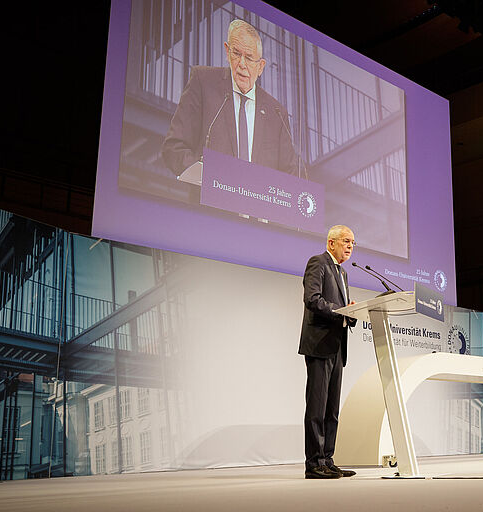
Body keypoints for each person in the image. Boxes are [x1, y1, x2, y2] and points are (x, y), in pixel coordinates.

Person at [162, 19, 297, 178]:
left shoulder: (277, 113)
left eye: (249, 58)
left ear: (260, 67)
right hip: (208, 192)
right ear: (227, 52)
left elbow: (291, 175)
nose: (242, 64)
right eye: (236, 54)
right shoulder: (203, 82)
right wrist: (206, 178)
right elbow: (174, 147)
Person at [299, 225, 358, 479]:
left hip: (337, 347)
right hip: (320, 344)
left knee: (332, 409)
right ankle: (314, 463)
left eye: (353, 242)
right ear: (331, 242)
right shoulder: (318, 263)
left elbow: (339, 310)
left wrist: (350, 313)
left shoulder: (343, 273)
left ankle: (328, 459)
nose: (350, 246)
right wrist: (340, 311)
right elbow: (312, 299)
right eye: (346, 241)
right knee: (317, 408)